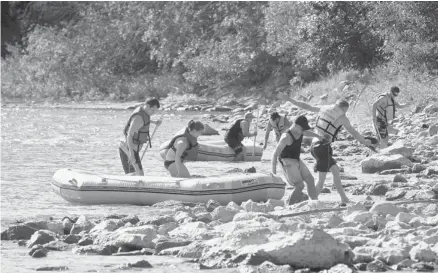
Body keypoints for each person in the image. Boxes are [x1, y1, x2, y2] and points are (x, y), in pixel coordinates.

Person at [278, 93, 373, 204]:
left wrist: (290, 99)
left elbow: (306, 106)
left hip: (315, 147)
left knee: (335, 170)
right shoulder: (342, 118)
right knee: (321, 179)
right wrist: (364, 141)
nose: (345, 113)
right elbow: (353, 132)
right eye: (345, 111)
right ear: (343, 109)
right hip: (322, 148)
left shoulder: (324, 109)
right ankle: (311, 202)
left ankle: (344, 198)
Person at [271, 115, 322, 205]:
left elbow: (306, 133)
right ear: (296, 126)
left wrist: (318, 136)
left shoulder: (300, 131)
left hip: (296, 159)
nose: (303, 131)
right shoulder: (286, 137)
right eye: (302, 129)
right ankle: (289, 207)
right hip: (286, 161)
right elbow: (275, 154)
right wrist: (274, 174)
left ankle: (315, 204)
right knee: (299, 185)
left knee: (310, 179)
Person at [119, 98, 162, 176]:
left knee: (137, 173)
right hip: (127, 148)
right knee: (138, 174)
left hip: (131, 148)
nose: (154, 113)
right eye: (153, 110)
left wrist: (154, 122)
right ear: (147, 106)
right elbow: (130, 135)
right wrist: (131, 154)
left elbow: (144, 121)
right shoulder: (138, 118)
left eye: (155, 111)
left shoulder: (144, 113)